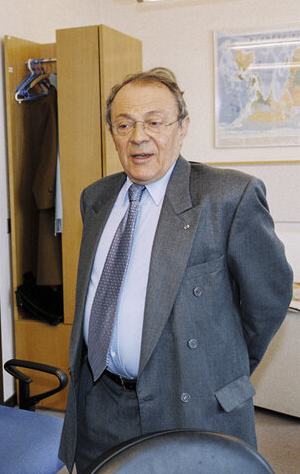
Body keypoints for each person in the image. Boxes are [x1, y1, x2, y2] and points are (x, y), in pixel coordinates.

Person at [57, 68, 293, 472]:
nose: (139, 136)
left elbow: (268, 301)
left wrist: (221, 369)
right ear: (111, 132)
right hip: (100, 404)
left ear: (182, 128)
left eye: (154, 121)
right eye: (124, 124)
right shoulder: (94, 198)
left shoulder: (228, 197)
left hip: (188, 404)